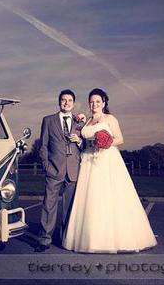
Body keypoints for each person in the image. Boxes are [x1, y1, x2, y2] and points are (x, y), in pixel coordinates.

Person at [62, 88, 157, 253]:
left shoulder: (110, 118)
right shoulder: (87, 121)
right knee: (90, 199)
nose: (94, 104)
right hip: (88, 160)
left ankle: (112, 239)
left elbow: (120, 139)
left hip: (106, 160)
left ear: (104, 103)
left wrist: (105, 142)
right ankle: (90, 239)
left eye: (98, 101)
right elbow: (83, 139)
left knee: (108, 197)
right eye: (92, 102)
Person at [35, 89, 84, 252]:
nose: (66, 102)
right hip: (54, 169)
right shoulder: (48, 120)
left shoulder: (80, 122)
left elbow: (86, 146)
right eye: (64, 100)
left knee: (69, 207)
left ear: (74, 103)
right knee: (49, 205)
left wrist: (79, 141)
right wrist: (46, 166)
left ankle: (66, 239)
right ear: (59, 102)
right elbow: (43, 146)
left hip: (73, 170)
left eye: (70, 100)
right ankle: (44, 240)